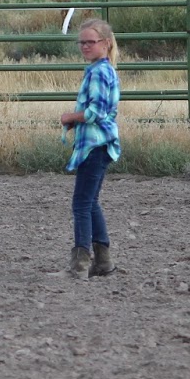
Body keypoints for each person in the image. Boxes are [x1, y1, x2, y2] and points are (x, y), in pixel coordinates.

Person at [60, 17, 121, 279]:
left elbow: (95, 111)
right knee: (91, 202)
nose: (85, 46)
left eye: (90, 42)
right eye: (81, 42)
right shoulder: (106, 70)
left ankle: (80, 264)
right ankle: (103, 261)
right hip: (102, 143)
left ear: (105, 44)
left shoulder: (97, 72)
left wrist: (71, 117)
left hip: (93, 145)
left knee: (81, 204)